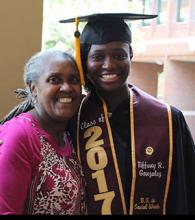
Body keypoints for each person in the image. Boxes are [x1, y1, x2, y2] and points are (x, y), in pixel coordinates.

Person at [60, 13, 195, 215]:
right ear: (84, 61)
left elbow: (187, 193)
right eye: (98, 56)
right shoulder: (72, 119)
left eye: (119, 55)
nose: (109, 65)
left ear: (130, 55)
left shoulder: (168, 119)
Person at [0, 49, 86, 215]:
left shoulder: (68, 135)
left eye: (73, 80)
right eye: (54, 80)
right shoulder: (19, 135)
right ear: (33, 89)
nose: (66, 87)